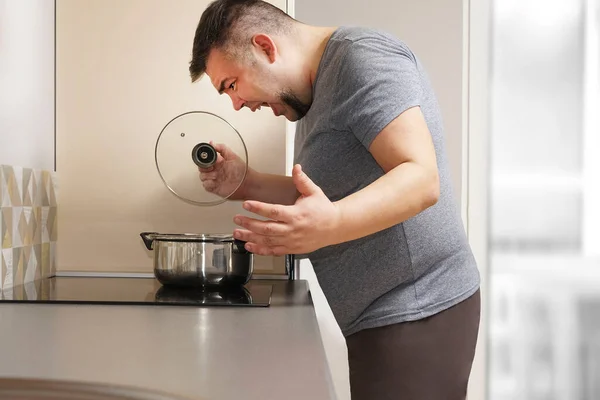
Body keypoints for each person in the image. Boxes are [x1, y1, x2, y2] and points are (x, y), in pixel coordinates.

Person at [189, 0, 481, 399]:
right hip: (381, 317)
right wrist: (246, 182)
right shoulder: (310, 93)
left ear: (265, 47)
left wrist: (328, 227)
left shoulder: (362, 59)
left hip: (419, 307)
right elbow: (326, 195)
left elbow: (421, 178)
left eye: (232, 85)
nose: (237, 104)